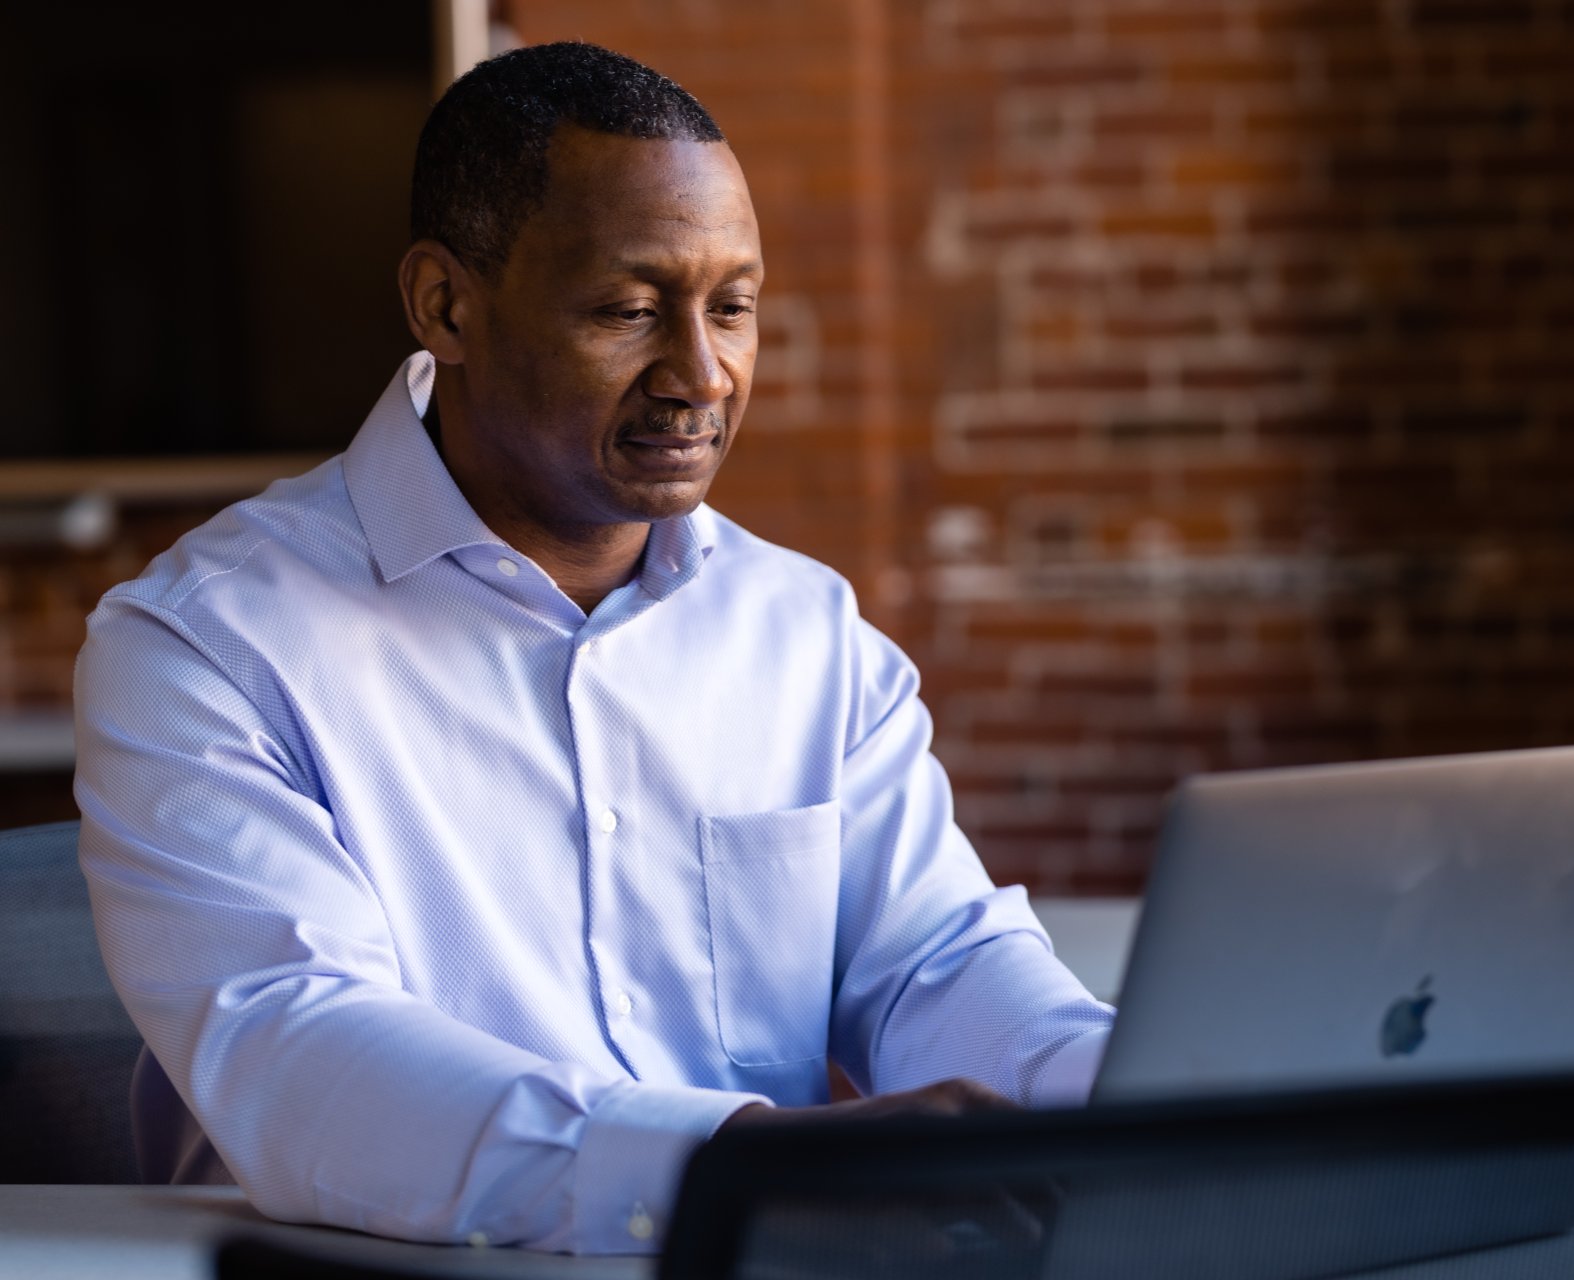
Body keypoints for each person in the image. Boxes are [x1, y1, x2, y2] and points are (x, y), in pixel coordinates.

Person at [74, 42, 1112, 1255]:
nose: (702, 373)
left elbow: (936, 962)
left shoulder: (804, 632)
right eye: (628, 310)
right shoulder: (207, 645)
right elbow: (298, 1048)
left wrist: (1156, 1093)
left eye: (732, 306)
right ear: (445, 305)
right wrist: (735, 1162)